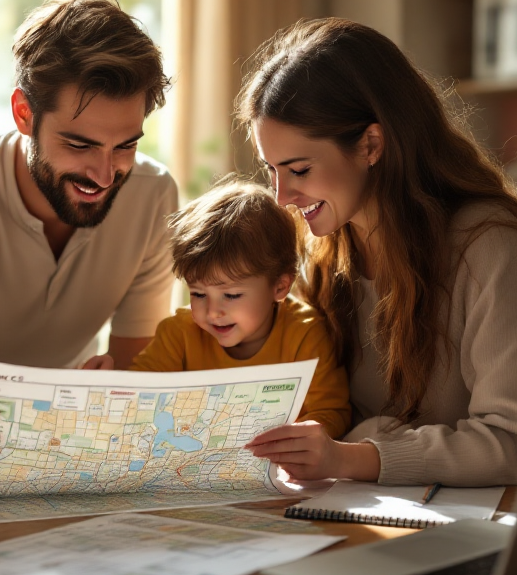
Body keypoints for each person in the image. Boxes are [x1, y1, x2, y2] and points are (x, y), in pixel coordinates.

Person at [237, 18, 517, 487]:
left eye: (300, 169)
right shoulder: (325, 249)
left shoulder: (487, 243)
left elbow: (513, 442)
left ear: (371, 143)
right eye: (272, 170)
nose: (283, 196)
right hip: (413, 501)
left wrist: (350, 457)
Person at [0, 0, 178, 384]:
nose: (105, 176)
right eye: (79, 144)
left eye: (126, 146)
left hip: (67, 426)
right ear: (24, 114)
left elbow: (134, 385)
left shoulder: (153, 196)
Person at [84, 179, 351, 438]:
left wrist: (296, 441)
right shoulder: (179, 333)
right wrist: (105, 390)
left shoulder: (305, 333)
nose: (212, 312)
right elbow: (139, 396)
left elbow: (331, 412)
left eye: (231, 295)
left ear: (279, 288)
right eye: (198, 293)